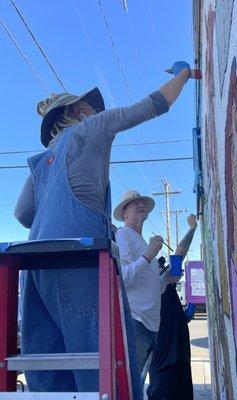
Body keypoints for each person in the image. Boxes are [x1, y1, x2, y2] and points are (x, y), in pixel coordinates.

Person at [14, 61, 192, 394]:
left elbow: (24, 214)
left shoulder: (40, 163)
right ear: (78, 111)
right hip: (78, 265)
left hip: (35, 270)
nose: (95, 110)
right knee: (101, 374)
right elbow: (154, 105)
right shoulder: (92, 127)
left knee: (51, 378)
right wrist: (183, 75)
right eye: (90, 106)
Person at [113, 190, 180, 374]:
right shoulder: (123, 235)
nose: (141, 205)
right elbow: (122, 278)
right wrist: (149, 255)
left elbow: (152, 288)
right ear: (124, 213)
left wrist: (166, 279)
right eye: (135, 203)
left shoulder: (141, 241)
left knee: (137, 382)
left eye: (143, 203)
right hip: (135, 321)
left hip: (151, 326)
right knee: (129, 382)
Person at [147, 214, 197, 400]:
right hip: (163, 362)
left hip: (181, 358)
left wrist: (187, 315)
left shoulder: (167, 284)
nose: (162, 267)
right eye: (158, 265)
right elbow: (179, 255)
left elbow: (178, 257)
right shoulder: (154, 286)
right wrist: (192, 229)